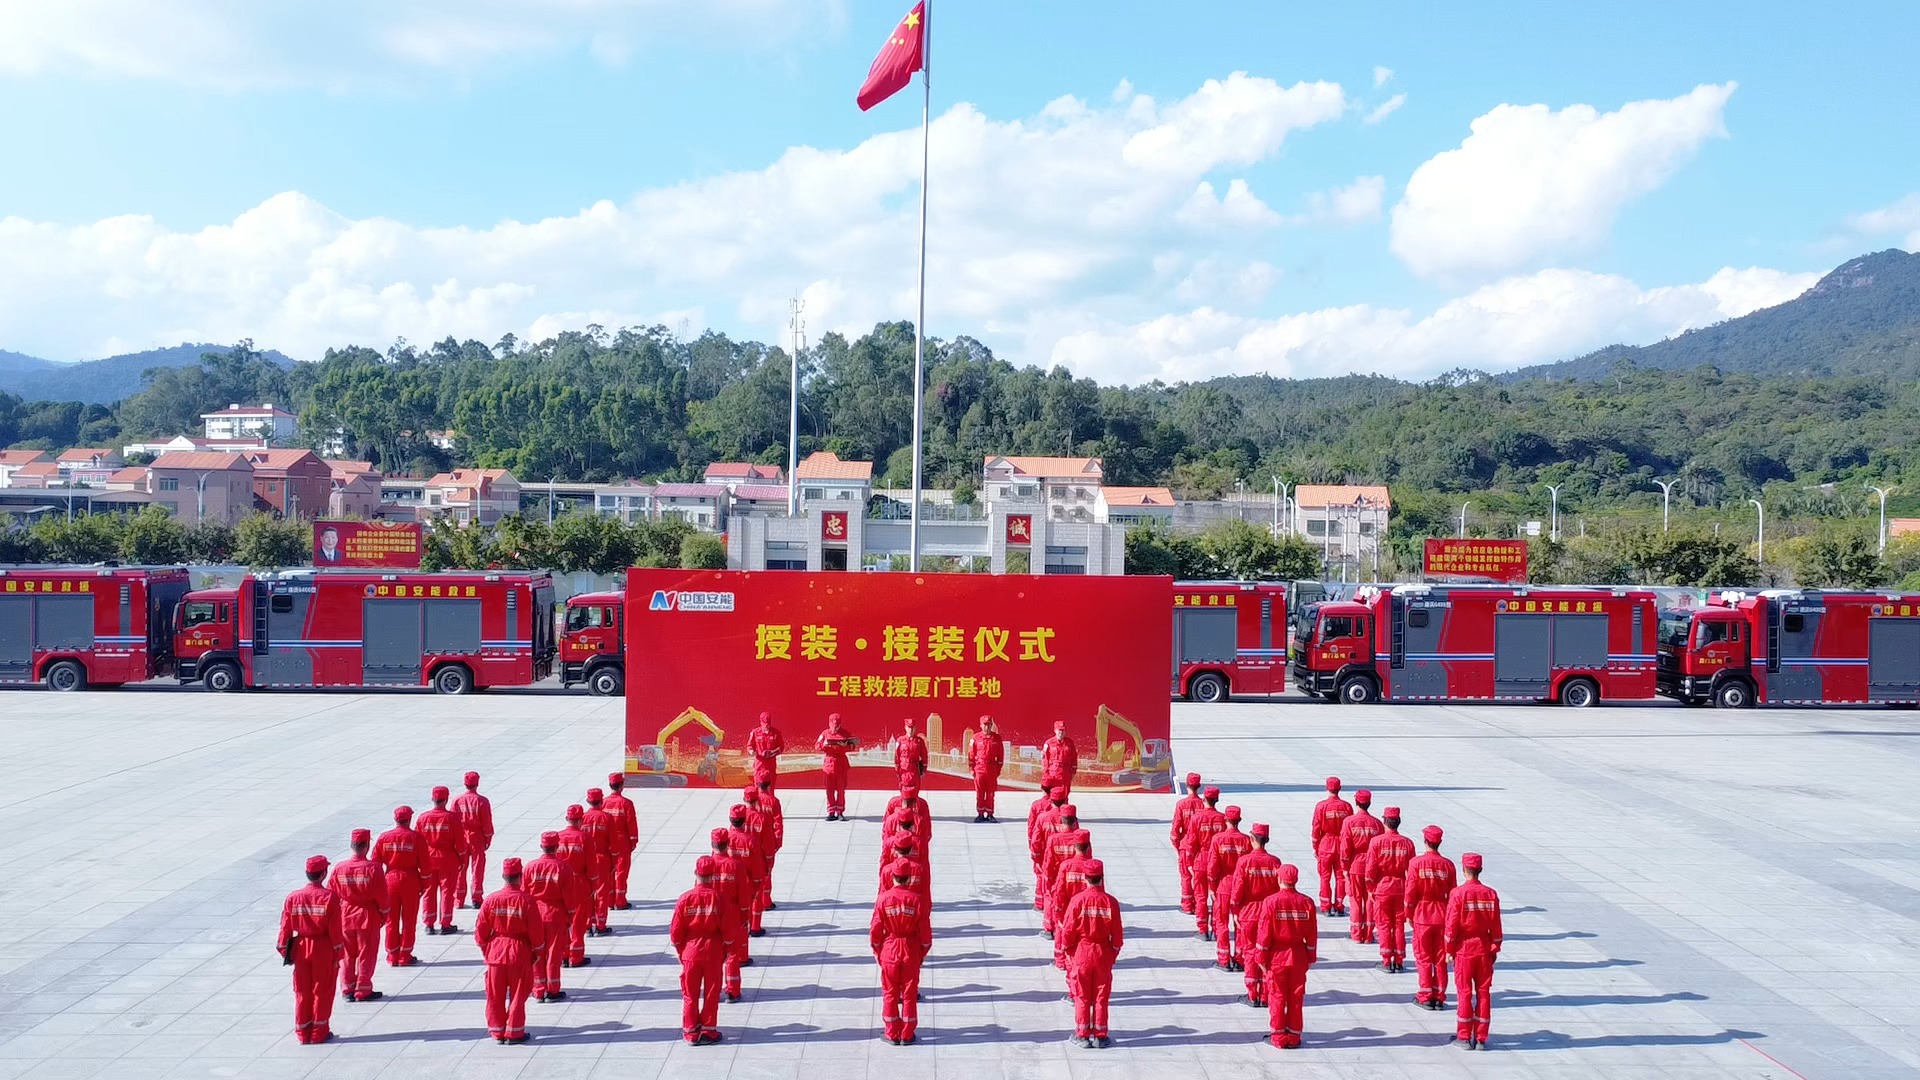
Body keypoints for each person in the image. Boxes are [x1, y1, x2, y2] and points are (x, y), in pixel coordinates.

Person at [474, 858, 545, 1045]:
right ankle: (514, 1031)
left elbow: (480, 931)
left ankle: (497, 1031)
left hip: (496, 952)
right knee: (518, 994)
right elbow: (536, 931)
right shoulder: (527, 901)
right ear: (520, 878)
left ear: (503, 876)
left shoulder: (491, 900)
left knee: (494, 995)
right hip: (519, 951)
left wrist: (487, 949)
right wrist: (537, 952)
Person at [278, 855, 346, 1045]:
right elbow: (335, 931)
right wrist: (338, 954)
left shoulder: (292, 897)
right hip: (322, 948)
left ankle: (302, 1032)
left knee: (301, 991)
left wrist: (287, 952)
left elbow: (284, 930)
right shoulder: (329, 897)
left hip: (301, 948)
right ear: (323, 874)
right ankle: (319, 1032)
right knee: (322, 991)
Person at [1058, 859, 1122, 1049]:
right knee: (1102, 996)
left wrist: (1069, 951)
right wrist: (1112, 955)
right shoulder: (1111, 902)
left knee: (1082, 995)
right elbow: (1117, 936)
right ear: (1102, 878)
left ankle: (1082, 1034)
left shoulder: (1077, 901)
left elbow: (1068, 930)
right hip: (1103, 953)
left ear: (1086, 878)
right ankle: (1100, 1035)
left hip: (1082, 952)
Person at [670, 856, 735, 1046]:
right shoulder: (720, 898)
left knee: (689, 993)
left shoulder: (685, 898)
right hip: (713, 951)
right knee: (711, 992)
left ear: (696, 874)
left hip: (690, 951)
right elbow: (728, 929)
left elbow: (675, 932)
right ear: (713, 876)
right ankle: (708, 1030)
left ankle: (690, 1031)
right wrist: (728, 950)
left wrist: (681, 950)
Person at [1252, 864, 1317, 1049]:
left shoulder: (1271, 902)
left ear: (1279, 879)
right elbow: (1312, 933)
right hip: (1298, 954)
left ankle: (1279, 1036)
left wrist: (1260, 957)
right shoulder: (1307, 903)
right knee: (1296, 997)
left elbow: (1264, 933)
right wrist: (1310, 956)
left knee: (1277, 996)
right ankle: (1294, 1036)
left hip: (1277, 956)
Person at [871, 860, 932, 1045]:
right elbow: (925, 935)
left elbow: (875, 930)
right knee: (909, 993)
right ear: (909, 877)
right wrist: (921, 953)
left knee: (889, 992)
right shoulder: (917, 900)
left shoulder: (883, 899)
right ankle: (907, 1034)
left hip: (890, 948)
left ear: (892, 876)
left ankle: (891, 1032)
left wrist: (878, 951)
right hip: (910, 949)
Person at [1446, 852, 1503, 1049]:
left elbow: (1452, 925)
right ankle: (1481, 1037)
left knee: (1464, 992)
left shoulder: (1458, 894)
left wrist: (1448, 949)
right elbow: (1496, 925)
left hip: (1464, 948)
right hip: (1484, 948)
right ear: (1480, 870)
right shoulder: (1491, 894)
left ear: (1464, 869)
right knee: (1484, 992)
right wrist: (1495, 946)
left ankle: (1463, 1036)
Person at [328, 829, 390, 1004]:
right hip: (367, 915)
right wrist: (384, 914)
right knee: (366, 953)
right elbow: (382, 896)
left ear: (351, 845)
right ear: (367, 846)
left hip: (345, 915)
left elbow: (331, 894)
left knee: (347, 954)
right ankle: (363, 989)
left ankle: (347, 988)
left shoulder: (339, 868)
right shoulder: (373, 868)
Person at [523, 831, 584, 1003]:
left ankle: (538, 989)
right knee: (554, 954)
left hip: (535, 914)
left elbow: (524, 893)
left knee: (537, 952)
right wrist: (571, 915)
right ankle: (553, 989)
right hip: (555, 915)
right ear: (557, 847)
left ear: (542, 846)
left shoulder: (530, 867)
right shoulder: (563, 867)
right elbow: (569, 897)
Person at [1227, 824, 1283, 1003]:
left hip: (1249, 912)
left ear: (1252, 839)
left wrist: (1234, 909)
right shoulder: (1275, 862)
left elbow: (1237, 890)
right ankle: (1267, 994)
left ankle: (1253, 994)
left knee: (1250, 952)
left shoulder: (1244, 862)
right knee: (1267, 954)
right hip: (1268, 913)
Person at [1405, 825, 1458, 1010]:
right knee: (1440, 958)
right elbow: (1453, 894)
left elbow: (1410, 892)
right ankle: (1440, 994)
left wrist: (1409, 914)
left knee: (1423, 957)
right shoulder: (1449, 865)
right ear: (1439, 842)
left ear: (1425, 841)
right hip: (1442, 915)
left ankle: (1425, 994)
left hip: (1422, 914)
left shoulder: (1416, 863)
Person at [1365, 808, 1416, 973]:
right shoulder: (1407, 843)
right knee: (1399, 925)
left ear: (1384, 822)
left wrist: (1370, 888)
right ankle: (1399, 960)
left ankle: (1386, 960)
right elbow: (1412, 870)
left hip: (1383, 887)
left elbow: (1371, 869)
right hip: (1401, 887)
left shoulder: (1376, 842)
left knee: (1384, 924)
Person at [373, 806, 424, 967]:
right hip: (410, 880)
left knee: (391, 920)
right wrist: (423, 886)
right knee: (409, 920)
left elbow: (375, 865)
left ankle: (392, 955)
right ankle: (405, 955)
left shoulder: (384, 838)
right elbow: (426, 867)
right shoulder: (416, 838)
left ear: (395, 820)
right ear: (409, 820)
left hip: (390, 881)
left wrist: (379, 886)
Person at [705, 828, 752, 1002]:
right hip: (731, 912)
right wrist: (745, 917)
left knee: (714, 953)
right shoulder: (736, 866)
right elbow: (744, 894)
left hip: (712, 912)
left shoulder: (707, 864)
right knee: (732, 952)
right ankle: (732, 990)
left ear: (712, 844)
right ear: (728, 844)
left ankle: (713, 989)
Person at [1205, 806, 1254, 968]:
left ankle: (1224, 959)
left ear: (1225, 820)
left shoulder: (1218, 839)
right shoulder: (1247, 841)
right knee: (1239, 923)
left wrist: (1211, 886)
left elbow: (1212, 867)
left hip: (1223, 886)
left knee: (1221, 922)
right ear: (1239, 821)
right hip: (1241, 887)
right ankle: (1240, 959)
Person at [415, 786, 468, 935]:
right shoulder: (452, 818)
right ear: (446, 800)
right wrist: (462, 859)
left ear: (433, 799)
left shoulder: (423, 818)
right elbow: (460, 843)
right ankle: (445, 924)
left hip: (428, 859)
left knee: (429, 891)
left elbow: (417, 841)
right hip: (448, 859)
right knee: (447, 892)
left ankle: (429, 924)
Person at [1339, 790, 1384, 943]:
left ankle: (1357, 933)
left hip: (1355, 865)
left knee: (1356, 899)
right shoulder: (1377, 823)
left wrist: (1344, 867)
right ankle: (1369, 934)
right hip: (1372, 866)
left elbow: (1345, 847)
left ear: (1356, 803)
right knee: (1370, 899)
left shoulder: (1349, 822)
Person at [1183, 787, 1227, 938]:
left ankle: (1203, 930)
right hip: (1217, 862)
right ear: (1217, 799)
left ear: (1204, 799)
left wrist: (1189, 862)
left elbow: (1191, 843)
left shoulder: (1196, 818)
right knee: (1216, 897)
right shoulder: (1223, 819)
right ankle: (1216, 929)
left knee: (1200, 896)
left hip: (1201, 861)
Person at [1049, 835, 1098, 971]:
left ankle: (1061, 961)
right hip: (1085, 909)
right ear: (1089, 846)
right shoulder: (1093, 868)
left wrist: (1057, 910)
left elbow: (1059, 890)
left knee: (1063, 932)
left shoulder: (1067, 866)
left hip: (1067, 907)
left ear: (1074, 846)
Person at [1039, 807, 1089, 937]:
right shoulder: (1080, 840)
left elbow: (1049, 860)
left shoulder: (1054, 839)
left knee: (1053, 900)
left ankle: (1051, 928)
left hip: (1057, 876)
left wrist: (1047, 877)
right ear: (1075, 821)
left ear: (1061, 820)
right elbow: (1087, 860)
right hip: (1076, 876)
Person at [1309, 777, 1354, 917]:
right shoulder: (1347, 806)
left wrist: (1315, 847)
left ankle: (1326, 906)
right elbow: (1350, 828)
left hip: (1326, 843)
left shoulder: (1321, 806)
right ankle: (1340, 906)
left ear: (1326, 788)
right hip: (1341, 844)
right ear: (1339, 788)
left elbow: (1316, 828)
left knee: (1324, 877)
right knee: (1341, 877)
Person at [555, 806, 593, 967]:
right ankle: (576, 956)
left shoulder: (558, 837)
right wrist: (593, 884)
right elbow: (591, 865)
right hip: (579, 881)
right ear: (581, 819)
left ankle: (563, 954)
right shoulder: (585, 838)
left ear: (566, 819)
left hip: (561, 882)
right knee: (578, 920)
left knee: (563, 920)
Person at [452, 771, 495, 911]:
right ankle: (476, 898)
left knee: (460, 869)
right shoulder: (482, 801)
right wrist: (488, 838)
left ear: (465, 783)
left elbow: (453, 821)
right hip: (477, 838)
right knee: (477, 868)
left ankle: (458, 899)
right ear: (477, 783)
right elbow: (487, 822)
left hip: (462, 838)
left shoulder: (457, 801)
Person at [725, 804, 769, 938]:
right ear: (744, 820)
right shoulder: (751, 841)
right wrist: (758, 882)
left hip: (729, 880)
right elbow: (757, 866)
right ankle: (753, 928)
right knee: (749, 908)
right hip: (747, 880)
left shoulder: (725, 839)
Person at [1026, 786, 1069, 910]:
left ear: (1051, 800)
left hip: (1046, 855)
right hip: (1064, 856)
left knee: (1044, 880)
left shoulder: (1043, 818)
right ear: (1065, 800)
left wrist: (1035, 856)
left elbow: (1036, 838)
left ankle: (1041, 904)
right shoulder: (1070, 819)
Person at [580, 788, 616, 935]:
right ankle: (601, 925)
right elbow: (613, 843)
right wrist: (613, 863)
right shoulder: (607, 818)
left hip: (585, 861)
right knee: (602, 893)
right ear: (601, 801)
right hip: (602, 859)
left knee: (587, 894)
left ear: (588, 801)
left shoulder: (582, 818)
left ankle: (588, 924)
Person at [602, 772, 640, 910]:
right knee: (622, 872)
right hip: (622, 841)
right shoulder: (626, 803)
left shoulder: (603, 803)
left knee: (609, 872)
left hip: (607, 842)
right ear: (621, 786)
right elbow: (631, 824)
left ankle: (609, 901)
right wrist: (633, 842)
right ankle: (620, 901)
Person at [741, 788, 778, 926]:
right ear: (757, 800)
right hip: (758, 862)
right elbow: (768, 846)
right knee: (757, 893)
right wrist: (769, 864)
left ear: (744, 800)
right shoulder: (762, 819)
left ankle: (744, 923)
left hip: (741, 864)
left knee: (743, 894)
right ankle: (755, 926)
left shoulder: (738, 818)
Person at [1169, 772, 1204, 913]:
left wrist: (1179, 847)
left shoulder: (1182, 804)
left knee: (1186, 876)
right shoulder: (1203, 805)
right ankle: (1198, 903)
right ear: (1199, 786)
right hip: (1200, 847)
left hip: (1185, 845)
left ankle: (1187, 905)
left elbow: (1175, 832)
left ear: (1187, 785)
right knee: (1199, 877)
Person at [816, 713, 858, 820]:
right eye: (833, 724)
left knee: (841, 789)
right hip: (829, 763)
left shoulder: (845, 733)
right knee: (829, 789)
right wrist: (824, 744)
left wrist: (846, 746)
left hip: (841, 763)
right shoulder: (825, 733)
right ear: (829, 723)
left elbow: (853, 746)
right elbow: (817, 746)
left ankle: (840, 811)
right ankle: (831, 811)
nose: (835, 727)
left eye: (837, 725)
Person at [750, 780, 786, 906]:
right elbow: (778, 823)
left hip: (752, 844)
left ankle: (755, 900)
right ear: (769, 785)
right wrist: (778, 842)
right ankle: (765, 901)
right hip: (768, 843)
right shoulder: (773, 801)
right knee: (767, 873)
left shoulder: (752, 802)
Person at [968, 715, 1005, 822]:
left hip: (992, 768)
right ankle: (980, 814)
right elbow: (971, 754)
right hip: (979, 768)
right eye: (985, 725)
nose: (987, 727)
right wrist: (971, 768)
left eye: (989, 724)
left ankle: (989, 814)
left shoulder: (997, 738)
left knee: (990, 793)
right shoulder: (975, 738)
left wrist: (998, 770)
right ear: (980, 725)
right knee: (980, 793)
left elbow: (1001, 755)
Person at [748, 711, 787, 791]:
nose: (766, 726)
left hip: (770, 765)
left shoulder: (776, 733)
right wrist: (752, 752)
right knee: (758, 787)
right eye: (764, 724)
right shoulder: (755, 732)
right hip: (759, 764)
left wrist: (772, 753)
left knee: (770, 788)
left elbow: (781, 747)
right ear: (760, 722)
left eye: (768, 724)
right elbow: (749, 746)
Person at [1040, 719, 1078, 796]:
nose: (1061, 732)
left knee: (1064, 794)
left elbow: (1074, 757)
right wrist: (1046, 773)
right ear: (1055, 730)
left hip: (1065, 772)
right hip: (1052, 772)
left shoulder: (1070, 743)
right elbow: (1045, 759)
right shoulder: (1049, 743)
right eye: (1059, 730)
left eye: (1063, 730)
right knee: (1050, 795)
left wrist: (1073, 771)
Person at [893, 717, 929, 787]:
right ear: (905, 727)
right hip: (903, 768)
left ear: (915, 728)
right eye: (909, 727)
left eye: (913, 727)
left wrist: (924, 770)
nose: (911, 730)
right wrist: (897, 769)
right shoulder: (900, 740)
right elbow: (897, 756)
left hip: (914, 768)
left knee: (915, 788)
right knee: (903, 787)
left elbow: (924, 755)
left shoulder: (919, 741)